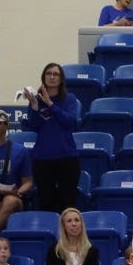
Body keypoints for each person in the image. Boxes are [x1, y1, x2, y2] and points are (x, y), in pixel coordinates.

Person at [23, 63, 82, 215]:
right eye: (49, 73)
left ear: (61, 79)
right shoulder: (35, 100)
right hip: (43, 159)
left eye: (56, 74)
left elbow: (69, 121)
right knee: (46, 203)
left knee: (67, 204)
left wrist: (49, 103)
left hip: (67, 157)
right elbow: (34, 126)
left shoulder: (69, 99)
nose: (52, 77)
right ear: (44, 77)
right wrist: (35, 106)